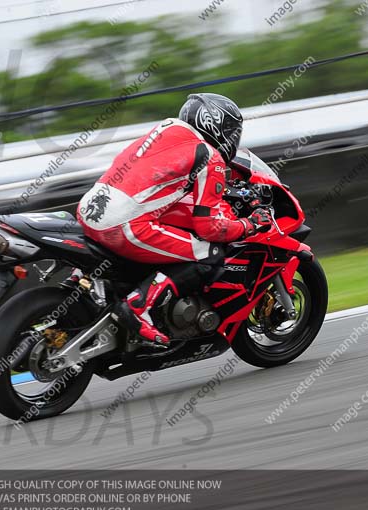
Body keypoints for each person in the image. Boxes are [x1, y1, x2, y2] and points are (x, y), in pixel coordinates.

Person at [77, 93, 272, 345]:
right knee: (208, 253)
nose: (234, 138)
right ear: (217, 126)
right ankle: (138, 307)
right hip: (125, 226)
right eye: (232, 131)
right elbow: (210, 226)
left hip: (90, 210)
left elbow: (160, 181)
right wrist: (248, 224)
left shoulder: (165, 129)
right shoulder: (209, 156)